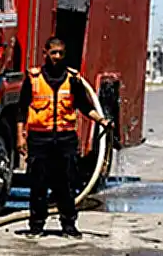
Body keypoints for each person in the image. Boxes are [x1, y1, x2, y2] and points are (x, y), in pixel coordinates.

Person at [16, 37, 111, 240]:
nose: (57, 57)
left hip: (65, 140)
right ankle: (36, 226)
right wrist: (20, 138)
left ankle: (68, 225)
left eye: (60, 53)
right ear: (46, 53)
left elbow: (85, 107)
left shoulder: (73, 80)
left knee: (66, 185)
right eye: (53, 53)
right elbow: (21, 110)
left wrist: (102, 121)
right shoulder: (33, 79)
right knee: (38, 185)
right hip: (39, 140)